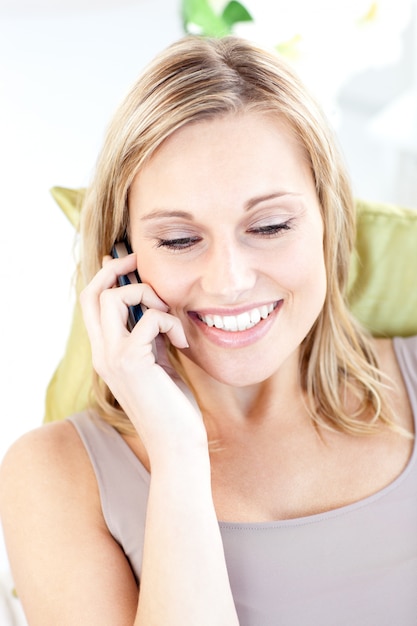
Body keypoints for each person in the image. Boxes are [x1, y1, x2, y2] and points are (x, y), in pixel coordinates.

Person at [0, 35, 416, 626]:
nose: (229, 281)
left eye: (269, 226)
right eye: (178, 239)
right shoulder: (53, 475)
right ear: (123, 258)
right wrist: (178, 453)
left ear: (329, 221)